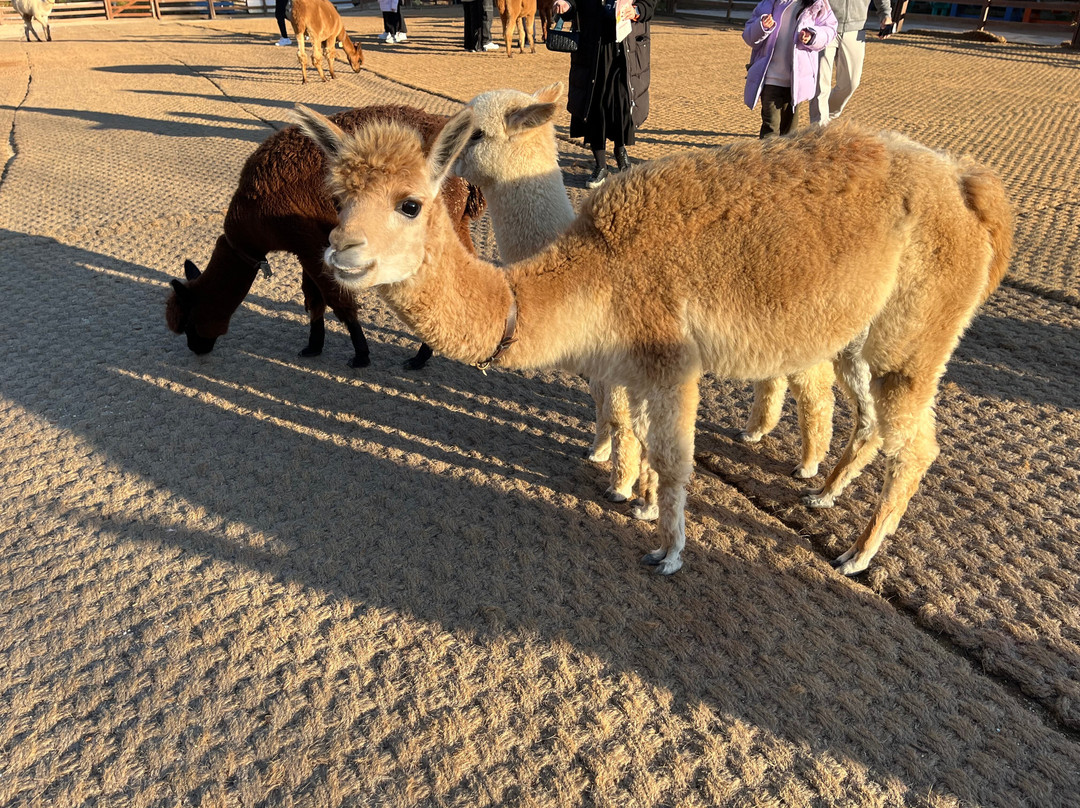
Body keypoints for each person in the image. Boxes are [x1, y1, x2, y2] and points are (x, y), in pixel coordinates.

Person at [552, 0, 656, 188]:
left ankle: (621, 153)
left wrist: (637, 10)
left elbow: (649, 3)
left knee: (622, 102)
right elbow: (573, 4)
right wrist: (566, 5)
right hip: (592, 47)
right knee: (595, 105)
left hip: (626, 48)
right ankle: (600, 165)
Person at [743, 0, 837, 138]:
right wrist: (761, 26)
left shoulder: (817, 4)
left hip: (795, 81)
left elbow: (830, 29)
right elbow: (749, 36)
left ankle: (786, 159)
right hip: (770, 77)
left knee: (790, 133)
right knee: (770, 128)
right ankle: (768, 158)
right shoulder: (768, 4)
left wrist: (813, 36)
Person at [808, 0, 892, 125]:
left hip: (856, 28)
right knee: (820, 82)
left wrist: (886, 14)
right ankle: (818, 125)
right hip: (823, 24)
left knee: (851, 83)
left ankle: (828, 115)